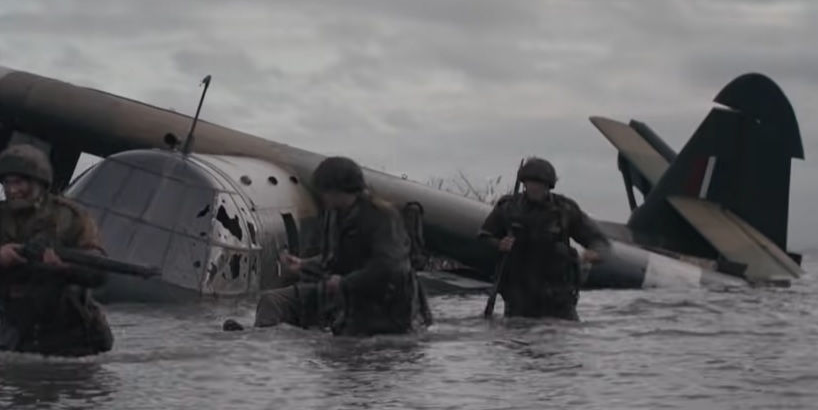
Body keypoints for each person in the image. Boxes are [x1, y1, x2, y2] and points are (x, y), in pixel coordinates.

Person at [0, 143, 115, 357]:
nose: (13, 190)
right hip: (14, 335)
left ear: (39, 183)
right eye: (7, 183)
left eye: (20, 183)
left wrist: (66, 266)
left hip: (74, 337)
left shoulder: (70, 217)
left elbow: (99, 271)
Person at [231, 155, 429, 337]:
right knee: (273, 301)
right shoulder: (334, 216)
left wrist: (345, 283)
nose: (322, 196)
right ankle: (260, 341)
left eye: (324, 191)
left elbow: (389, 267)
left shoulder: (383, 217)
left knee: (347, 343)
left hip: (383, 304)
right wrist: (303, 265)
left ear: (335, 189)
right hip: (340, 293)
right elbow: (333, 259)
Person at [477, 156, 612, 321]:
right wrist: (499, 245)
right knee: (517, 338)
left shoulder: (564, 210)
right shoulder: (508, 208)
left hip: (558, 298)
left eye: (539, 184)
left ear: (548, 186)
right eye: (530, 183)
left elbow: (600, 242)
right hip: (519, 296)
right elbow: (483, 237)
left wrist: (593, 254)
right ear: (524, 183)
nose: (534, 188)